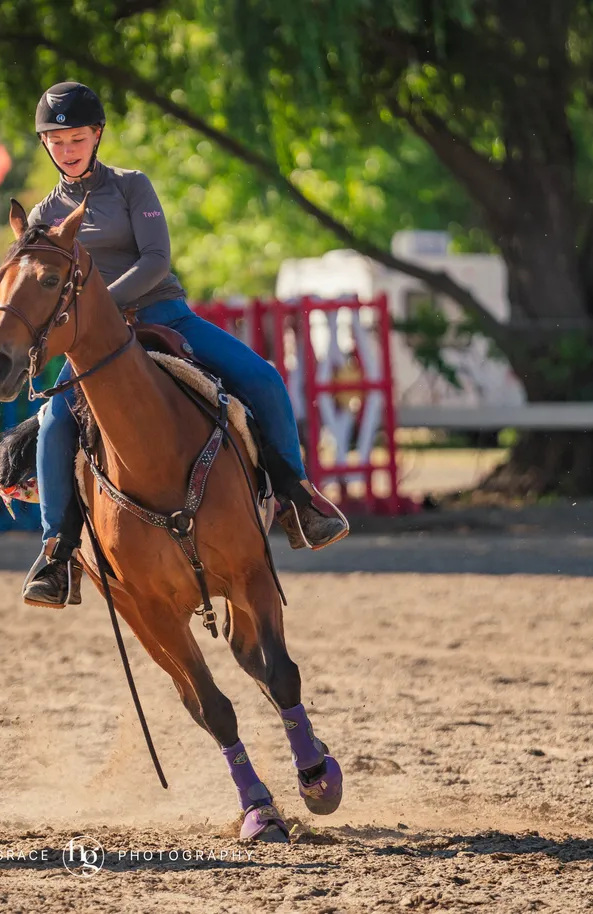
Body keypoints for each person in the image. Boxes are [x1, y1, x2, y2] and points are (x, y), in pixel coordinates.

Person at [21, 81, 349, 608]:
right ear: (44, 146)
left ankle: (296, 496)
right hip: (93, 342)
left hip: (162, 312)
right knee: (53, 422)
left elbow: (155, 261)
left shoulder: (132, 187)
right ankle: (56, 553)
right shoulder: (41, 217)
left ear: (97, 135)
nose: (67, 150)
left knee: (262, 377)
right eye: (56, 142)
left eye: (77, 138)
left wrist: (101, 304)